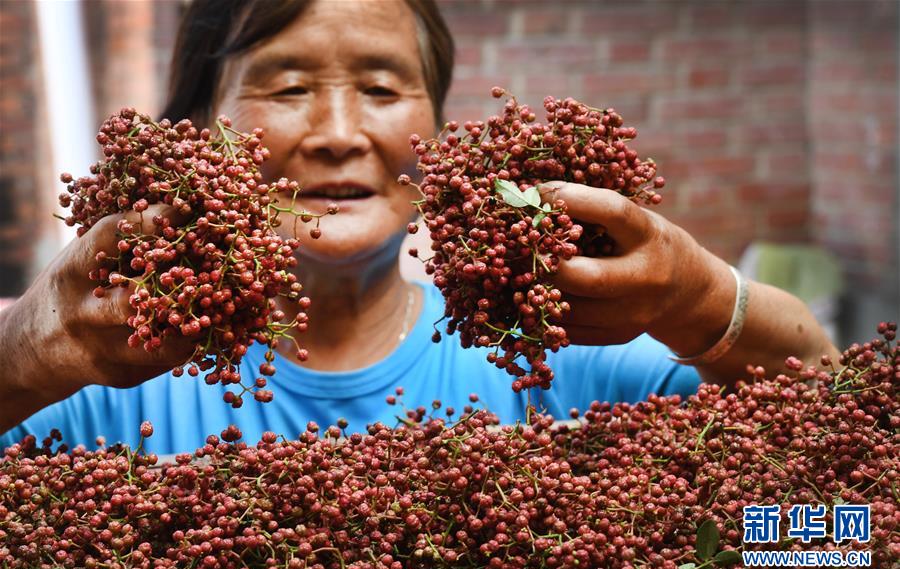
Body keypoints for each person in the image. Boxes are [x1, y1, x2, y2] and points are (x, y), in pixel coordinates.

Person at [0, 0, 838, 454]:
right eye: (287, 88)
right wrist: (25, 354)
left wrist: (698, 296)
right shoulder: (105, 374)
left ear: (439, 134)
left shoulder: (561, 355)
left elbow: (851, 525)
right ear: (197, 127)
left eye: (381, 87)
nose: (338, 132)